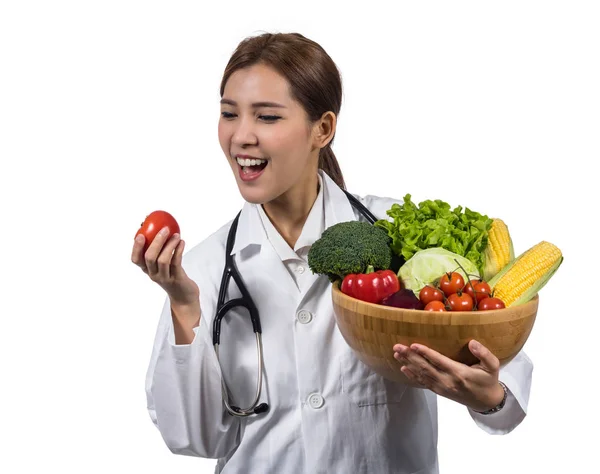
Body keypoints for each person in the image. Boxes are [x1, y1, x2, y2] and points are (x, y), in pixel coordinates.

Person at [132, 32, 533, 474]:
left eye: (266, 117)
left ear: (322, 129)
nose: (241, 136)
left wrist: (491, 398)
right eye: (229, 114)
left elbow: (498, 366)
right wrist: (184, 305)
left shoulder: (398, 236)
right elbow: (194, 438)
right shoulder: (203, 270)